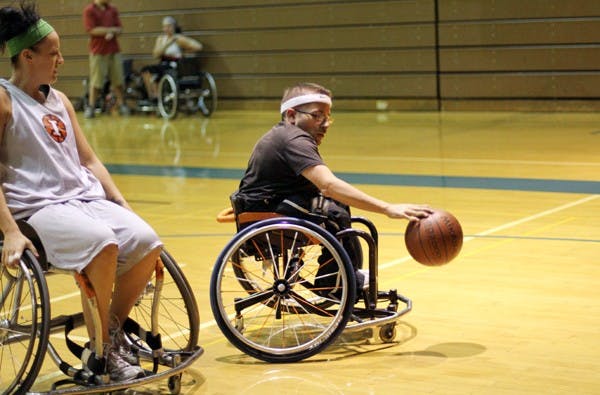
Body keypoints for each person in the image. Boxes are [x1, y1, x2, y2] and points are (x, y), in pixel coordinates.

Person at [0, 1, 162, 382]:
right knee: (103, 243)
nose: (61, 60)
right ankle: (101, 348)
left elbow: (90, 162)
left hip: (82, 199)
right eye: (53, 53)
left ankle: (111, 334)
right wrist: (9, 231)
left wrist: (121, 202)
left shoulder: (61, 101)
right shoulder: (4, 100)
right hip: (36, 209)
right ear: (27, 55)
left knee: (147, 238)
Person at [232, 82, 433, 291]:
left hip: (265, 208)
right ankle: (333, 285)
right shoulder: (293, 139)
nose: (325, 123)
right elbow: (328, 184)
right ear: (291, 115)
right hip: (267, 214)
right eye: (317, 115)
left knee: (336, 204)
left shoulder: (284, 135)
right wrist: (387, 208)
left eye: (327, 117)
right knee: (332, 212)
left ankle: (343, 277)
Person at [82, 0, 129, 118]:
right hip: (98, 51)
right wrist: (111, 30)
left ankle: (122, 105)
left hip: (114, 50)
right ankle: (91, 107)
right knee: (96, 81)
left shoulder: (113, 9)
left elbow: (120, 29)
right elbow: (92, 30)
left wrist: (112, 32)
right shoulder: (89, 10)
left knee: (118, 80)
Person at [140, 16, 203, 101]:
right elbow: (155, 54)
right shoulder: (161, 39)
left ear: (174, 27)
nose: (167, 29)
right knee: (146, 70)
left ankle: (158, 97)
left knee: (160, 71)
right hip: (162, 62)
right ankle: (153, 95)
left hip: (174, 64)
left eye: (169, 26)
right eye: (165, 26)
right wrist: (168, 43)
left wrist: (185, 52)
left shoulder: (179, 38)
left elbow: (198, 46)